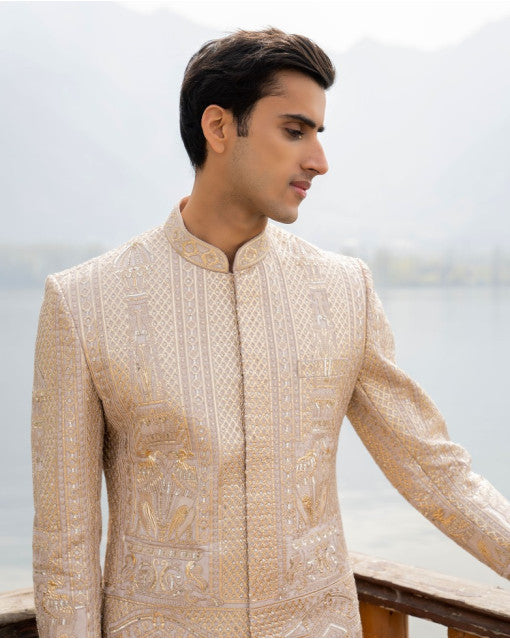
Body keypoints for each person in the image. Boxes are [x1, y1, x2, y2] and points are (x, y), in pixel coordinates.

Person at [31, 27, 510, 638]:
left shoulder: (343, 291)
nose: (319, 160)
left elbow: (433, 470)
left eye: (318, 132)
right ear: (218, 127)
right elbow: (65, 549)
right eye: (294, 130)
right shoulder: (84, 304)